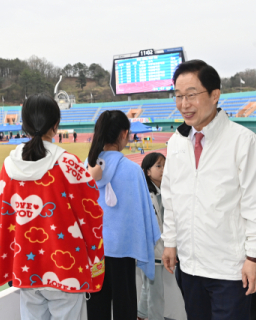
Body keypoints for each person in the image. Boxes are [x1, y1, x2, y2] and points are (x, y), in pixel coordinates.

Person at [162, 60, 256, 320]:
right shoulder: (176, 143)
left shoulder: (242, 141)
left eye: (191, 95)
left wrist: (254, 258)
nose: (184, 104)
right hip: (190, 268)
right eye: (178, 96)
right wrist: (170, 243)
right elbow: (170, 199)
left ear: (215, 95)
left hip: (230, 270)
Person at [0, 94, 105, 320]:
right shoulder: (67, 163)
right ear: (55, 125)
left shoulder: (9, 164)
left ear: (24, 126)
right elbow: (91, 216)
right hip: (67, 269)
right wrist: (94, 260)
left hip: (26, 268)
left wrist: (18, 248)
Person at [86, 110, 160, 320]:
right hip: (123, 252)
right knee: (125, 308)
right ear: (124, 134)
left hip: (94, 253)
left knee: (96, 309)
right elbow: (143, 214)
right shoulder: (131, 170)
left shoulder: (86, 166)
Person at [137, 152, 171, 320]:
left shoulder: (160, 192)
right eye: (158, 166)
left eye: (164, 165)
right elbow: (155, 227)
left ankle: (141, 316)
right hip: (152, 250)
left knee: (148, 287)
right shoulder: (148, 195)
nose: (163, 170)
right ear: (147, 171)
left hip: (153, 250)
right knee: (156, 292)